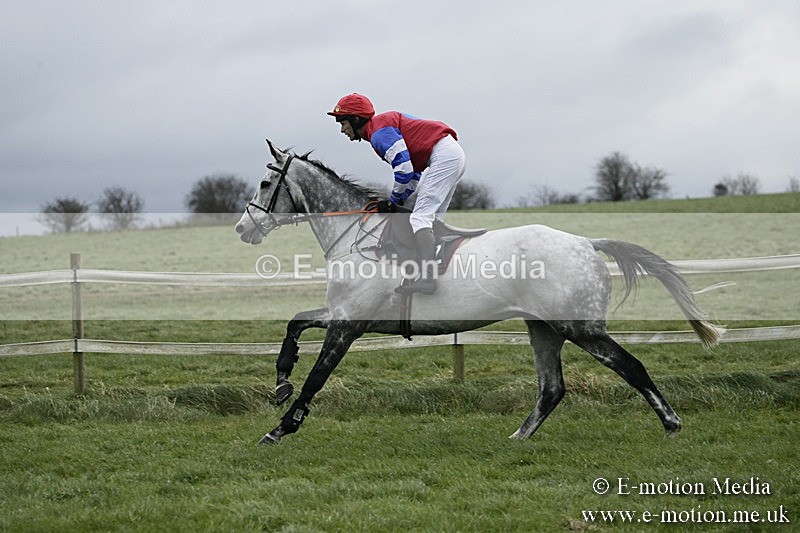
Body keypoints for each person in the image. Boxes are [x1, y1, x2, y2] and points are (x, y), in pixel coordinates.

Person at [327, 93, 466, 295]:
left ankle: (428, 279)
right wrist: (397, 201)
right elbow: (413, 175)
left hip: (444, 156)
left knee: (420, 218)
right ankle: (440, 273)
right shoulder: (380, 129)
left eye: (342, 122)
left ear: (356, 119)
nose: (342, 129)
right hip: (449, 154)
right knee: (432, 220)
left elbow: (404, 170)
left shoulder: (378, 134)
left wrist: (393, 202)